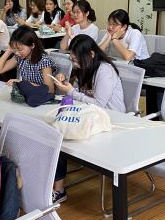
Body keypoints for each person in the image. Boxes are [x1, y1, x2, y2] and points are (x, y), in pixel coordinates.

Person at [51, 34, 125, 203]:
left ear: (91, 54)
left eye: (76, 60)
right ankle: (56, 187)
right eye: (72, 59)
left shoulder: (104, 70)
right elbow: (80, 93)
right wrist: (66, 82)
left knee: (61, 136)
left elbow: (99, 104)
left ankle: (58, 189)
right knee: (57, 133)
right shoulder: (85, 66)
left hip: (110, 120)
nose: (75, 63)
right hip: (90, 116)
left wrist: (71, 91)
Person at [0, 26, 56, 91]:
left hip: (40, 96)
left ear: (32, 45)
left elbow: (50, 90)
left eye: (20, 49)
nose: (17, 53)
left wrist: (22, 83)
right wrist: (8, 51)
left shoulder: (44, 61)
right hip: (28, 94)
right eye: (14, 49)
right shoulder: (19, 57)